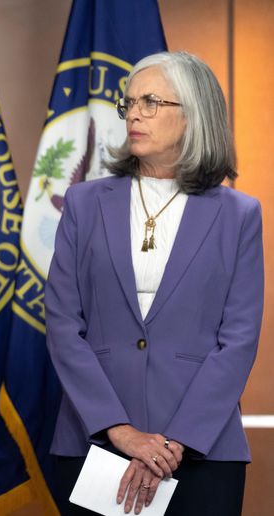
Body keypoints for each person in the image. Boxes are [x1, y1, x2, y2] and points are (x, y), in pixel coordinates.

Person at [45, 50, 263, 515]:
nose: (133, 114)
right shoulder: (83, 203)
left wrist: (172, 444)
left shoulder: (239, 215)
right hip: (96, 442)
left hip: (201, 448)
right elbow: (63, 324)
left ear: (193, 114)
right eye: (129, 103)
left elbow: (239, 340)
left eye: (151, 102)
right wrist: (121, 432)